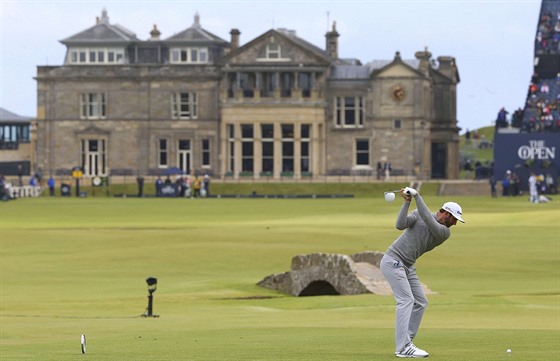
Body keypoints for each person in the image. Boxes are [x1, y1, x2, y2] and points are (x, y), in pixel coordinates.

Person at [380, 187, 465, 358]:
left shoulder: (444, 232)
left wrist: (418, 196)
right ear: (446, 214)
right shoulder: (418, 213)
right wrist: (407, 202)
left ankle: (407, 341)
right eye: (454, 219)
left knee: (420, 301)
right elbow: (400, 225)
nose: (455, 223)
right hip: (393, 261)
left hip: (408, 266)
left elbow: (427, 218)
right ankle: (403, 347)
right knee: (406, 300)